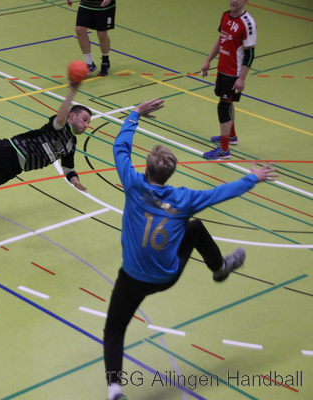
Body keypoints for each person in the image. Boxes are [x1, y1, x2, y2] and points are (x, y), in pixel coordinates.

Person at [103, 98, 277, 400]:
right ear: (169, 174)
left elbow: (120, 148)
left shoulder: (132, 184)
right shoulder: (184, 200)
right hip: (165, 276)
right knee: (195, 228)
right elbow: (220, 192)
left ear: (146, 169)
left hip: (132, 278)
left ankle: (115, 390)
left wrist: (135, 114)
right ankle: (219, 268)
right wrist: (253, 178)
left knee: (115, 330)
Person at [201, 0, 256, 159]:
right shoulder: (225, 15)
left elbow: (250, 54)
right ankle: (231, 136)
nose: (234, 1)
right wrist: (208, 60)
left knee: (223, 107)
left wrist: (241, 78)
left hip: (234, 72)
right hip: (222, 69)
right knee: (226, 102)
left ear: (245, 1)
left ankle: (224, 150)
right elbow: (221, 39)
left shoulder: (248, 23)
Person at [66, 0, 116, 77]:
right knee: (79, 30)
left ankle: (105, 62)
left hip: (103, 6)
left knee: (102, 34)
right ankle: (89, 64)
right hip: (86, 4)